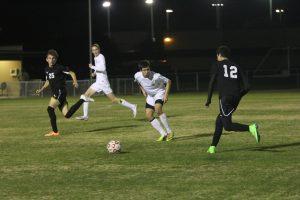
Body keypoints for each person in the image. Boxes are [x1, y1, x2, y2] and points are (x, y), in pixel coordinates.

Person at [205, 45, 260, 154]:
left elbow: (211, 83)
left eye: (217, 55)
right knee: (220, 120)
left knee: (228, 126)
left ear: (219, 55)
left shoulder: (217, 65)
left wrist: (208, 100)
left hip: (225, 98)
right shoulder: (236, 66)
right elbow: (248, 86)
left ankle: (250, 128)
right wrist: (239, 96)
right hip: (235, 98)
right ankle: (212, 147)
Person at [76, 43, 137, 120]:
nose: (94, 51)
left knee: (113, 99)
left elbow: (103, 69)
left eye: (96, 49)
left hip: (103, 82)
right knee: (85, 96)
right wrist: (94, 72)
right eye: (93, 50)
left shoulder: (101, 57)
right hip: (98, 82)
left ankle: (132, 106)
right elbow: (99, 68)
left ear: (99, 50)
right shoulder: (95, 58)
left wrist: (92, 67)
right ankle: (85, 116)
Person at [36, 49, 89, 136]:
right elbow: (48, 81)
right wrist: (41, 89)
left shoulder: (59, 68)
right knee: (67, 115)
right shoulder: (46, 69)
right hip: (55, 94)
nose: (52, 60)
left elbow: (72, 73)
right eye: (50, 58)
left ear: (56, 59)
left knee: (50, 109)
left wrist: (75, 81)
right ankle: (83, 99)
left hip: (61, 92)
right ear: (46, 59)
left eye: (53, 58)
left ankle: (55, 132)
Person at [134, 60, 174, 142]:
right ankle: (163, 134)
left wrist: (166, 95)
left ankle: (169, 132)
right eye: (144, 70)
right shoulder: (137, 75)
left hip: (160, 92)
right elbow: (138, 82)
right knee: (148, 115)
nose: (146, 72)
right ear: (140, 70)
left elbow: (169, 81)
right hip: (151, 96)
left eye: (148, 69)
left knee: (158, 108)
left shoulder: (156, 76)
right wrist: (143, 91)